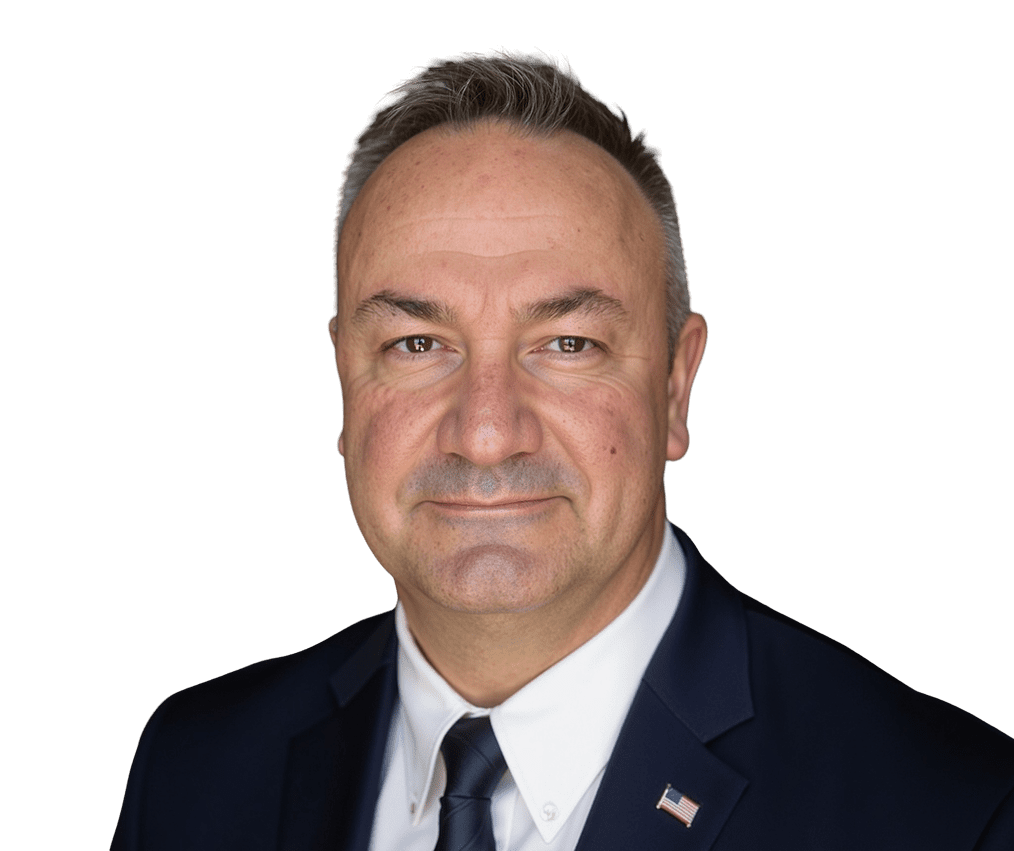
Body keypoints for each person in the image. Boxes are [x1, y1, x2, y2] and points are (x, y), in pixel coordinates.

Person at [111, 49, 1014, 851]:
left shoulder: (951, 810)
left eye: (568, 344)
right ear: (345, 382)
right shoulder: (195, 770)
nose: (488, 429)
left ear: (674, 388)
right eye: (418, 345)